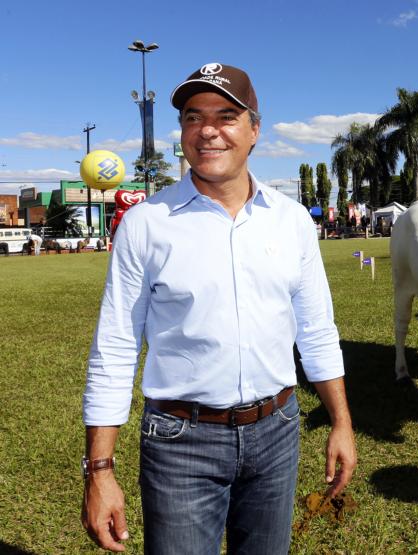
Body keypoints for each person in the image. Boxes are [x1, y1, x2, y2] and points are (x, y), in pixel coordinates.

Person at [81, 62, 357, 554]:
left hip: (278, 431)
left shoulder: (292, 220)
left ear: (254, 130)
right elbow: (115, 348)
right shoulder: (146, 224)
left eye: (226, 116)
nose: (208, 130)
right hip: (180, 443)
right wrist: (99, 470)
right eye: (193, 117)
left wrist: (341, 422)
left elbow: (316, 329)